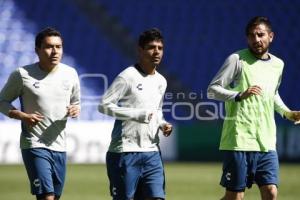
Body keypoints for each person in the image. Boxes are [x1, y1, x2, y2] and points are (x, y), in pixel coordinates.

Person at [207, 16, 300, 200]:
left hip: (266, 141)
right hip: (239, 139)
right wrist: (238, 95)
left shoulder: (278, 64)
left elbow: (272, 93)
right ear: (247, 39)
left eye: (260, 35)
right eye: (251, 36)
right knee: (235, 196)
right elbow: (212, 91)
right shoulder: (237, 59)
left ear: (271, 36)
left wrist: (287, 113)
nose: (256, 39)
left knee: (271, 192)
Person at [0, 27, 80, 200]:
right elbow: (2, 101)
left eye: (58, 47)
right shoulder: (22, 74)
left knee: (53, 197)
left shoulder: (70, 74)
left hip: (59, 146)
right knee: (47, 196)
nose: (54, 51)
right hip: (34, 144)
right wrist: (22, 116)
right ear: (37, 50)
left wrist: (75, 108)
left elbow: (76, 102)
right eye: (49, 47)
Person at [98, 28, 172, 200]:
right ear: (140, 50)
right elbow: (103, 106)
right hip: (125, 152)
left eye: (160, 48)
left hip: (152, 151)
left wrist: (162, 124)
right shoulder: (127, 77)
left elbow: (156, 111)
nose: (156, 52)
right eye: (151, 47)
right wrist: (136, 114)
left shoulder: (162, 81)